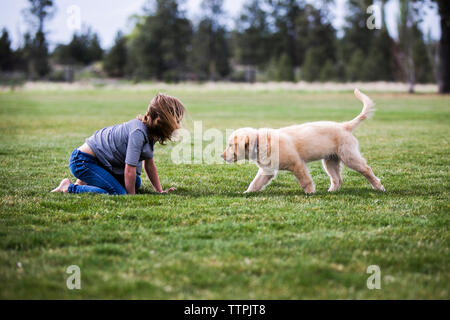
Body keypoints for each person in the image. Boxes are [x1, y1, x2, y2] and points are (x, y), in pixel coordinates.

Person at [51, 93, 185, 195]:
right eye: (176, 121)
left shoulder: (152, 133)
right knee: (119, 193)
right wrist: (130, 197)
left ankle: (87, 179)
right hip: (83, 161)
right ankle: (68, 187)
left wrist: (159, 191)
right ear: (160, 120)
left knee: (136, 182)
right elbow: (129, 169)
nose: (178, 126)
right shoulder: (138, 132)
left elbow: (149, 164)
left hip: (101, 163)